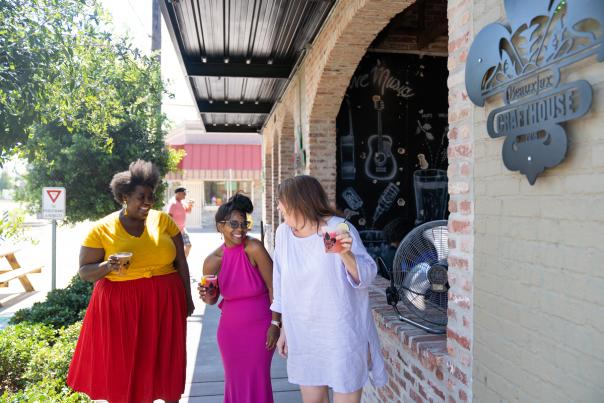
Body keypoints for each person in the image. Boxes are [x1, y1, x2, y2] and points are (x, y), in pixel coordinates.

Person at [67, 160, 195, 403]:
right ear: (125, 197)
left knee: (164, 359)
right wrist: (107, 266)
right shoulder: (101, 229)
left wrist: (187, 298)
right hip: (120, 306)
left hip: (165, 301)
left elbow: (181, 261)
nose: (148, 202)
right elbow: (84, 271)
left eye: (151, 196)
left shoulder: (163, 221)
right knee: (125, 364)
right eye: (141, 196)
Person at [273, 175, 388, 403]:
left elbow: (365, 277)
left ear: (300, 202)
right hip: (304, 335)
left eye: (282, 201)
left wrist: (345, 254)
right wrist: (283, 327)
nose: (278, 206)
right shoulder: (283, 234)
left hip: (340, 334)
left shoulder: (335, 228)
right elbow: (280, 283)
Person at [199, 193, 279, 403]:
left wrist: (276, 323)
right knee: (234, 381)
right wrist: (207, 296)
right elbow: (212, 300)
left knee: (258, 378)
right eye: (234, 224)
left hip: (261, 327)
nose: (240, 229)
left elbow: (275, 287)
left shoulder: (254, 248)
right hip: (230, 331)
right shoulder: (212, 261)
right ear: (220, 226)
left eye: (244, 224)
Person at [167, 187, 194, 257]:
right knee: (175, 250)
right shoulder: (173, 203)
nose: (185, 195)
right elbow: (168, 217)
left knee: (188, 246)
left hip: (182, 229)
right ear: (178, 194)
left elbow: (188, 211)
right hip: (174, 231)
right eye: (184, 193)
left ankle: (183, 262)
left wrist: (190, 205)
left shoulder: (182, 202)